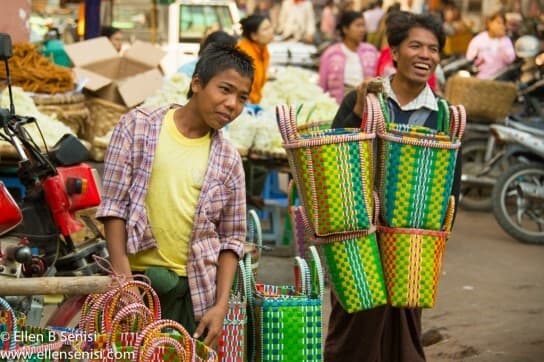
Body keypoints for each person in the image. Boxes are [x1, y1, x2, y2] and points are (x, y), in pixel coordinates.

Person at [96, 44, 254, 349]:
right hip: (139, 286)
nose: (232, 104)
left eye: (242, 98)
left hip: (196, 296)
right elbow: (114, 208)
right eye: (225, 89)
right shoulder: (138, 127)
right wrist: (124, 281)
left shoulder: (229, 159)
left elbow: (231, 240)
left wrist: (220, 307)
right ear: (196, 83)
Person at [325, 11, 461, 362]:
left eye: (433, 49)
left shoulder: (443, 116)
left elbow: (451, 189)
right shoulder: (366, 100)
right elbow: (334, 156)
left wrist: (435, 241)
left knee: (404, 332)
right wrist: (356, 111)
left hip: (411, 243)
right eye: (415, 45)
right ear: (395, 52)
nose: (425, 55)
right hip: (359, 238)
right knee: (354, 328)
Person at [319, 11, 379, 104]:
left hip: (366, 105)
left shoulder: (371, 51)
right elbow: (322, 85)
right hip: (337, 106)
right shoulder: (331, 53)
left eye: (363, 26)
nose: (362, 30)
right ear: (345, 29)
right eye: (358, 26)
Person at [466, 11, 516, 79]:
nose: (501, 26)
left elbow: (510, 59)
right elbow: (469, 59)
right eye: (498, 23)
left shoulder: (505, 40)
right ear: (489, 23)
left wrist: (501, 40)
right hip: (480, 78)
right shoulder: (478, 40)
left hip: (501, 77)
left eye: (503, 24)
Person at [237, 15, 274, 105]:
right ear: (254, 36)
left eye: (270, 27)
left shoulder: (263, 49)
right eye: (265, 29)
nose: (271, 31)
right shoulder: (245, 53)